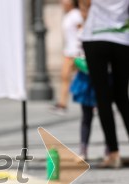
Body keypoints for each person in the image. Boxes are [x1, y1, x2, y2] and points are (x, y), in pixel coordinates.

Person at [81, 0, 129, 168]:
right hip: (122, 37)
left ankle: (114, 153)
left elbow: (84, 3)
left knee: (103, 97)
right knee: (122, 97)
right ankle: (114, 152)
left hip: (95, 35)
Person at [51, 0, 84, 115]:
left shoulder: (76, 15)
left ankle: (94, 102)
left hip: (76, 53)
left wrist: (80, 51)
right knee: (65, 77)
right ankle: (62, 104)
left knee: (84, 78)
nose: (62, 2)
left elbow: (82, 31)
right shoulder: (69, 15)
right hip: (69, 52)